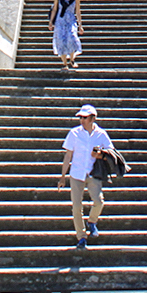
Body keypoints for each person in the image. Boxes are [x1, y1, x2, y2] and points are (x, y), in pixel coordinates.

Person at [59, 104, 113, 249]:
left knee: (99, 201)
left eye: (84, 117)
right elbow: (68, 154)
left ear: (92, 118)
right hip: (77, 173)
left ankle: (92, 221)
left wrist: (99, 155)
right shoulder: (74, 133)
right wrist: (63, 176)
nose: (81, 120)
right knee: (77, 206)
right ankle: (81, 236)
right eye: (80, 117)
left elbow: (111, 152)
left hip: (93, 172)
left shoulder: (101, 134)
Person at [49, 0, 84, 71]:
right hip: (60, 20)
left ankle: (72, 59)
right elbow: (55, 9)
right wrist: (51, 22)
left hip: (71, 21)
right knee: (60, 40)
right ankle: (65, 64)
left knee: (72, 38)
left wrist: (80, 25)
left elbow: (78, 12)